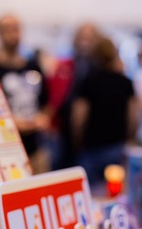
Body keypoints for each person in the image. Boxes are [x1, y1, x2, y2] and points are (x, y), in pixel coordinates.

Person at [0, 14, 50, 173]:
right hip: (4, 152)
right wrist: (11, 123)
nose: (12, 34)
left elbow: (45, 102)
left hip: (35, 147)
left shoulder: (33, 65)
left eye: (15, 29)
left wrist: (42, 118)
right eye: (7, 29)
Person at [70, 36, 136, 189]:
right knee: (116, 191)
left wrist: (77, 142)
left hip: (92, 146)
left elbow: (79, 117)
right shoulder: (125, 82)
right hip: (117, 145)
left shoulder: (88, 81)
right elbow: (133, 117)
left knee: (90, 193)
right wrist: (129, 138)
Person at [50, 22, 101, 170]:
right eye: (82, 37)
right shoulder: (66, 64)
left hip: (91, 132)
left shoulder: (99, 67)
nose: (85, 42)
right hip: (64, 128)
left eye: (90, 38)